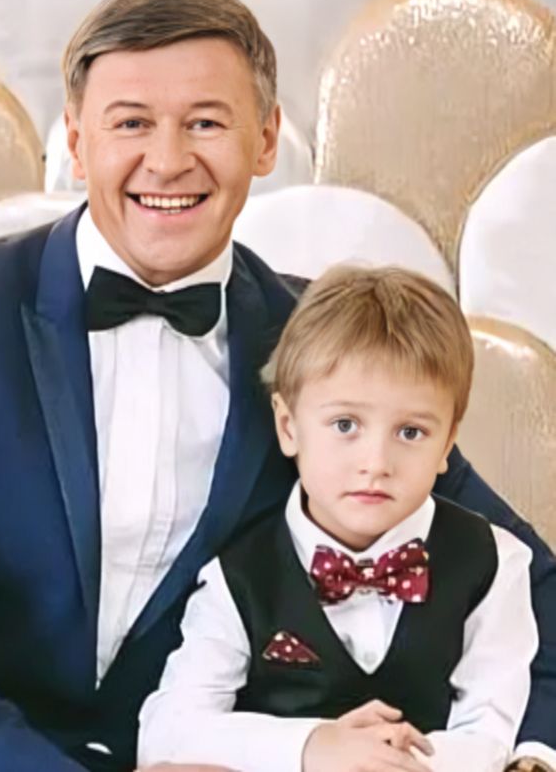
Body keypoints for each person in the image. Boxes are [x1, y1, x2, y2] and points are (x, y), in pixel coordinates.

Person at [0, 0, 556, 772]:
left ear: (265, 139)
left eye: (205, 122)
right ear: (75, 139)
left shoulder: (327, 343)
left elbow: (529, 583)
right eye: (131, 122)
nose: (167, 161)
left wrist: (526, 756)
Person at [137, 265, 536, 772]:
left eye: (411, 432)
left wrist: (395, 763)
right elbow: (167, 732)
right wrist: (310, 746)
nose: (376, 462)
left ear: (447, 445)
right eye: (345, 425)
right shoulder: (239, 576)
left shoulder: (495, 563)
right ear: (289, 427)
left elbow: (491, 729)